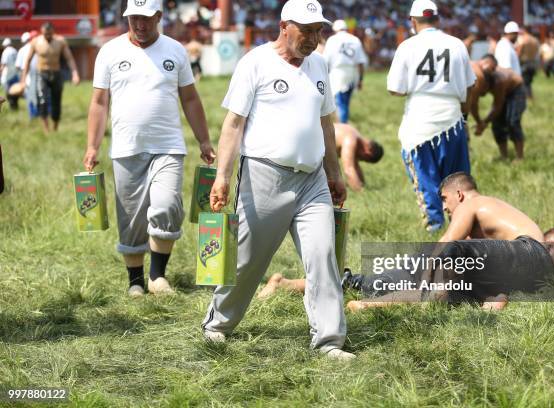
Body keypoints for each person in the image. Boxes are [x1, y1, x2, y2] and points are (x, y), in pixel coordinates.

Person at [201, 0, 353, 360]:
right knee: (246, 261)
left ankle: (329, 341)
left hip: (312, 181)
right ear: (285, 26)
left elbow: (326, 123)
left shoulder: (319, 65)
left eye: (319, 31)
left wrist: (334, 172)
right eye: (307, 30)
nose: (315, 38)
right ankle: (217, 325)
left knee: (323, 256)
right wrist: (222, 176)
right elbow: (233, 125)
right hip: (263, 177)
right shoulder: (256, 62)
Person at [260, 173, 554, 312]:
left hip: (528, 257)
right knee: (379, 281)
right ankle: (286, 283)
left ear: (459, 194)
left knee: (441, 266)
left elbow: (449, 243)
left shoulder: (473, 203)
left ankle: (381, 299)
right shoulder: (497, 221)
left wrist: (423, 272)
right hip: (525, 265)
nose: (447, 208)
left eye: (445, 201)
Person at [82, 0, 215, 297]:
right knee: (131, 218)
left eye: (146, 19)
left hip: (168, 146)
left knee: (167, 206)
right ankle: (135, 281)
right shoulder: (110, 52)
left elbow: (190, 99)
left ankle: (157, 276)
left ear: (158, 16)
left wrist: (204, 140)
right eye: (134, 19)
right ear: (126, 17)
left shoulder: (175, 50)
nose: (139, 25)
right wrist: (92, 145)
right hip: (126, 148)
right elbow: (99, 102)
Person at [387, 0, 475, 233]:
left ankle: (435, 228)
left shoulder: (407, 46)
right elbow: (469, 87)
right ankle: (465, 228)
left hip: (420, 120)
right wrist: (464, 117)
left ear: (412, 21)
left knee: (426, 179)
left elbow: (395, 89)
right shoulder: (457, 45)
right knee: (458, 181)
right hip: (452, 118)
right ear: (437, 19)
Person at [21, 22, 80, 133]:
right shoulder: (36, 42)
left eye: (49, 34)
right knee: (42, 99)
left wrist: (75, 73)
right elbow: (28, 60)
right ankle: (46, 130)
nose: (47, 36)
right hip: (41, 74)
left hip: (56, 73)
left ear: (53, 32)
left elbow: (69, 59)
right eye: (45, 34)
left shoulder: (60, 41)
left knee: (56, 101)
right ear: (42, 32)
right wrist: (23, 79)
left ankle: (55, 127)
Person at [473, 54, 526, 160]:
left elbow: (497, 106)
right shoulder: (478, 74)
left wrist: (484, 122)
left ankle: (520, 157)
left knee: (512, 121)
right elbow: (473, 102)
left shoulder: (499, 81)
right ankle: (504, 156)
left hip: (515, 90)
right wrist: (480, 122)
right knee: (497, 125)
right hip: (503, 93)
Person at [322, 19, 368, 123]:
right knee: (345, 101)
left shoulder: (332, 40)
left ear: (335, 29)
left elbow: (325, 60)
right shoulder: (355, 39)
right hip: (352, 73)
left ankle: (343, 126)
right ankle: (343, 122)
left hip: (337, 73)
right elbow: (361, 62)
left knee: (340, 102)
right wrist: (360, 79)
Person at [334, 122, 384, 192]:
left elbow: (355, 166)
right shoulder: (350, 140)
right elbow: (348, 170)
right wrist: (361, 192)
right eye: (364, 159)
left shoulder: (355, 134)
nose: (360, 159)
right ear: (368, 153)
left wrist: (363, 186)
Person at [15, 31, 40, 120]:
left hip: (27, 77)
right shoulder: (39, 48)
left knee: (30, 98)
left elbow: (18, 66)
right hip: (38, 76)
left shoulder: (22, 50)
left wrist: (21, 79)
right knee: (39, 97)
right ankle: (38, 116)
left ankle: (33, 117)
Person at [516, 28, 539, 100]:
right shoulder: (535, 40)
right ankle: (530, 96)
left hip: (524, 63)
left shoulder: (523, 39)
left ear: (525, 31)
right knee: (528, 82)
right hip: (533, 63)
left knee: (524, 82)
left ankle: (527, 97)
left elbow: (519, 52)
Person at [1, 38, 19, 110]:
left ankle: (12, 107)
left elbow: (4, 64)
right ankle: (15, 105)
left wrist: (1, 72)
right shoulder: (14, 51)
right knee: (15, 91)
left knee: (8, 92)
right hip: (15, 74)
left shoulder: (6, 51)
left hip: (7, 75)